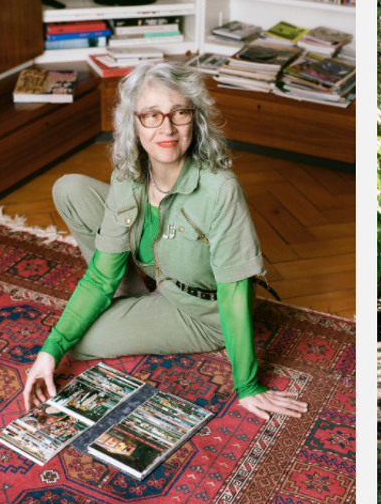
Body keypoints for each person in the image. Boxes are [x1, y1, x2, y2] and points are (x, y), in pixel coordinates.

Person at [21, 62, 308, 421]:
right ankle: (135, 298)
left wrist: (247, 385)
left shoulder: (221, 189)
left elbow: (233, 293)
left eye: (179, 113)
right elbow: (100, 276)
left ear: (195, 119)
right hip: (158, 277)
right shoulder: (128, 176)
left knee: (81, 342)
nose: (167, 128)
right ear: (134, 123)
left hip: (201, 311)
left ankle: (137, 306)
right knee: (71, 188)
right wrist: (49, 350)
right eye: (151, 115)